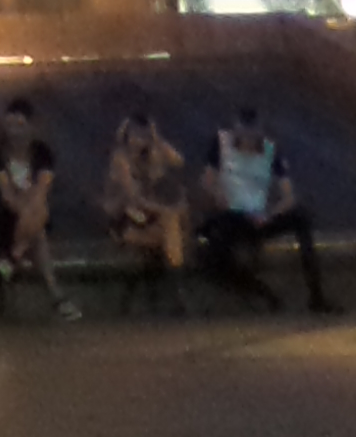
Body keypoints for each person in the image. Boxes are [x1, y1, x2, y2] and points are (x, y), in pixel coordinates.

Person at [197, 104, 337, 314]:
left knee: (302, 217)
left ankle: (316, 296)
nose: (247, 140)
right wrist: (219, 194)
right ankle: (262, 291)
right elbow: (206, 181)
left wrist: (270, 214)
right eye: (243, 134)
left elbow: (288, 195)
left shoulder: (271, 150)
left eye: (252, 135)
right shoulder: (220, 143)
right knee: (213, 254)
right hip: (232, 215)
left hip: (260, 215)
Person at [0, 97, 74, 316]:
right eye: (10, 126)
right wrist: (26, 211)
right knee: (39, 233)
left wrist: (29, 209)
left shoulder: (42, 153)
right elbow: (6, 195)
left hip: (34, 212)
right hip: (8, 218)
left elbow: (41, 190)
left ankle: (11, 259)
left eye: (20, 126)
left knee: (39, 214)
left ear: (31, 127)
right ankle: (57, 297)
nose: (14, 133)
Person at [103, 107, 189, 309]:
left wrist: (157, 139)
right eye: (134, 135)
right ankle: (175, 289)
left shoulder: (151, 156)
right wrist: (165, 210)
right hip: (124, 219)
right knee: (170, 227)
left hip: (147, 218)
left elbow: (178, 161)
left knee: (171, 227)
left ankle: (173, 290)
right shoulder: (120, 159)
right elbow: (134, 197)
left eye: (143, 136)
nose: (138, 140)